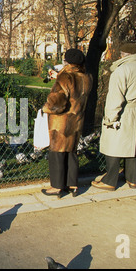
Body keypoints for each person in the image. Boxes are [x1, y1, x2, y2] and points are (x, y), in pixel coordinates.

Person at [92, 42, 136, 191]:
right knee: (132, 145)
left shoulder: (122, 70)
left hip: (123, 111)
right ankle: (132, 179)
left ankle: (110, 180)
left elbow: (115, 97)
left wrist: (111, 118)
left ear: (124, 54)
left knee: (113, 145)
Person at [42, 49, 93, 198]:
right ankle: (73, 185)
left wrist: (46, 107)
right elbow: (74, 90)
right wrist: (59, 77)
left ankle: (57, 187)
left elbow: (58, 103)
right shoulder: (86, 77)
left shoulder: (65, 77)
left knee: (57, 152)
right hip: (76, 120)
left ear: (66, 61)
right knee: (72, 151)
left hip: (61, 122)